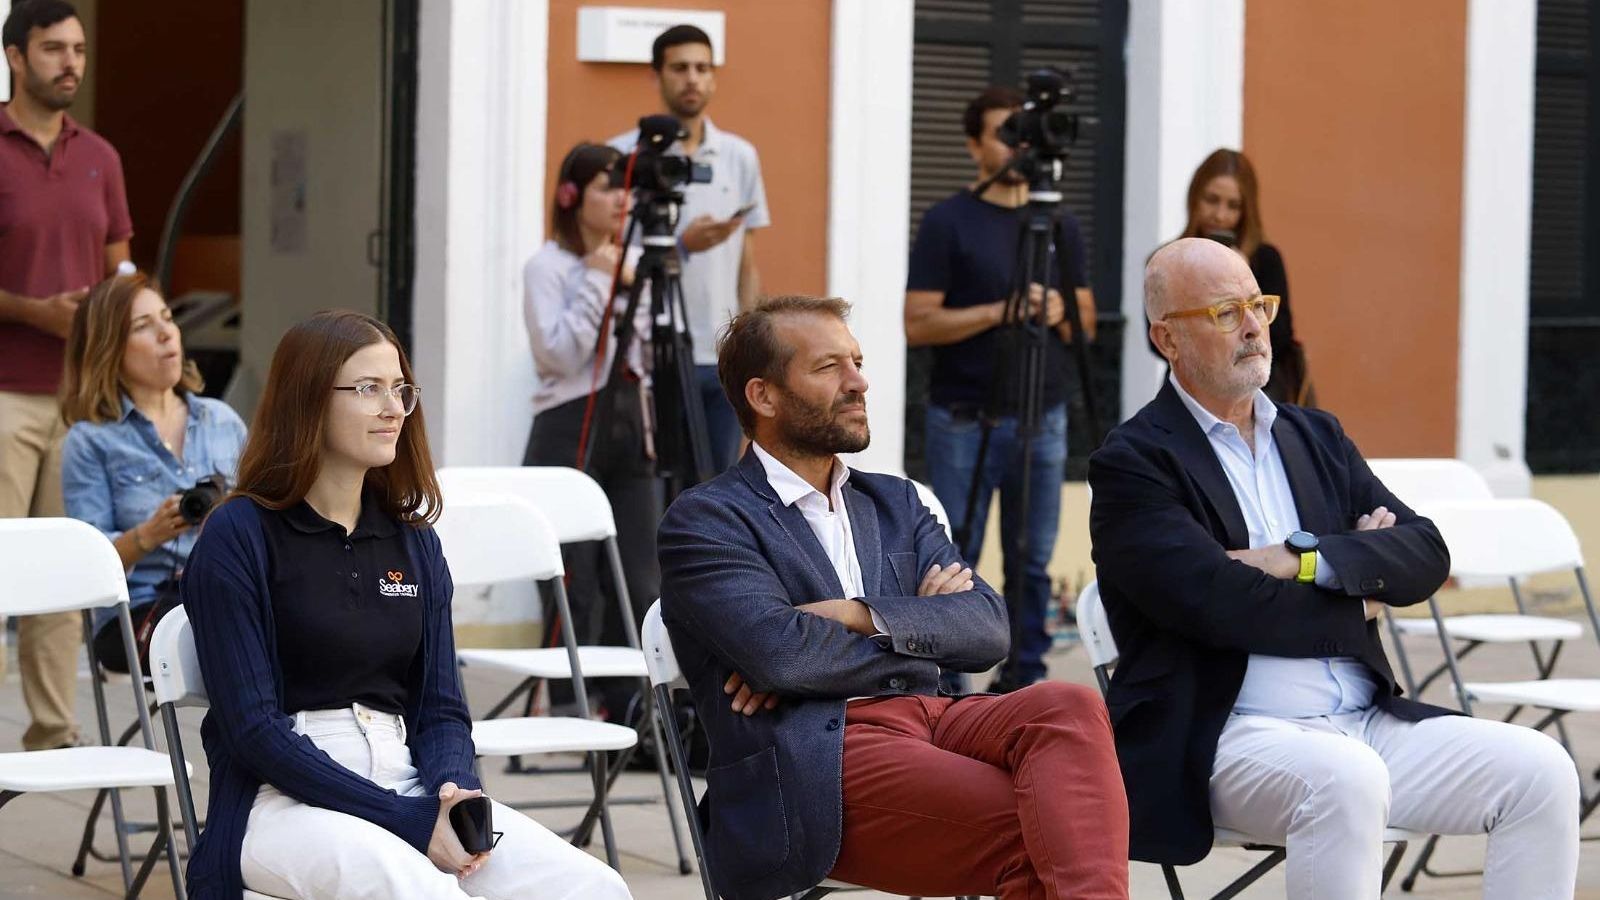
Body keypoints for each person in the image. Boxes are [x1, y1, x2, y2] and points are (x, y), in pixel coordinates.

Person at [1088, 237, 1579, 899]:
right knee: (1345, 779)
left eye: (1259, 304)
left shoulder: (1315, 436)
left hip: (1364, 720)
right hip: (1225, 735)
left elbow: (1426, 554)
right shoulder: (1135, 462)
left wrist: (1306, 558)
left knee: (1542, 770)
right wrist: (1360, 596)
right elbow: (1219, 604)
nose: (1257, 327)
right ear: (1167, 338)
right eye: (1226, 312)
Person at [658, 296, 1129, 900]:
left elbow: (987, 630)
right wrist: (923, 635)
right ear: (764, 396)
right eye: (830, 368)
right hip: (817, 755)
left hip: (933, 720)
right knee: (1058, 825)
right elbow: (781, 656)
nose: (860, 382)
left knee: (1068, 706)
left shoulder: (896, 503)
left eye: (856, 362)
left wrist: (859, 616)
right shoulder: (708, 520)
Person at [179, 311, 631, 899]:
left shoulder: (413, 541)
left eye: (399, 389)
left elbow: (441, 707)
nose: (393, 407)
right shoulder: (239, 534)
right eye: (369, 389)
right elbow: (254, 731)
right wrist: (410, 822)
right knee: (425, 892)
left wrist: (452, 794)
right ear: (308, 401)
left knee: (591, 887)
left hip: (407, 776)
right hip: (278, 798)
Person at [904, 85, 1096, 692]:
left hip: (1045, 414)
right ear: (972, 145)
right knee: (953, 557)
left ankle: (1025, 678)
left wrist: (1059, 306)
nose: (1017, 145)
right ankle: (950, 684)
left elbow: (1086, 324)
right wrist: (1002, 310)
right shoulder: (948, 220)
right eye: (1001, 133)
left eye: (1023, 132)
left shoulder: (1060, 224)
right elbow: (918, 323)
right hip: (963, 416)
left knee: (1032, 561)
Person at [0, 0, 132, 751]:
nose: (70, 63)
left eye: (78, 48)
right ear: (16, 57)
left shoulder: (100, 157)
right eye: (53, 49)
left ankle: (53, 737)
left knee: (55, 575)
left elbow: (122, 265)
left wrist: (115, 314)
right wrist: (32, 311)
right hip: (3, 393)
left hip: (80, 400)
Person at [523, 141, 656, 716]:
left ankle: (632, 704)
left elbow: (646, 348)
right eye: (608, 186)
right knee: (572, 577)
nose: (622, 199)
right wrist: (599, 280)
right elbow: (557, 356)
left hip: (630, 421)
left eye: (627, 186)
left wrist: (623, 278)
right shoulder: (547, 267)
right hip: (568, 423)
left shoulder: (634, 265)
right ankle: (570, 704)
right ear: (573, 197)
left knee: (639, 574)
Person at [59, 273, 246, 673]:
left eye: (167, 318)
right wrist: (149, 534)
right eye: (144, 326)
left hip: (226, 593)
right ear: (109, 349)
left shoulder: (222, 420)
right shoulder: (90, 440)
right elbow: (85, 565)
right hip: (139, 610)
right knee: (235, 630)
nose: (167, 333)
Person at [610, 24, 769, 474]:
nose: (693, 79)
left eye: (703, 68)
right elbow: (610, 261)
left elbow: (747, 260)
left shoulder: (740, 156)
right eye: (680, 68)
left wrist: (751, 341)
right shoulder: (625, 157)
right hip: (647, 356)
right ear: (656, 76)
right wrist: (683, 246)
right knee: (650, 484)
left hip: (721, 354)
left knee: (715, 484)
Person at [1179, 148, 1308, 405]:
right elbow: (1158, 339)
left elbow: (1280, 336)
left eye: (1233, 206)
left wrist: (1243, 279)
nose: (1220, 215)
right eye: (1211, 200)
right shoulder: (1171, 260)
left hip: (1256, 397)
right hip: (1190, 395)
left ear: (1246, 210)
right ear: (1195, 198)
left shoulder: (1265, 259)